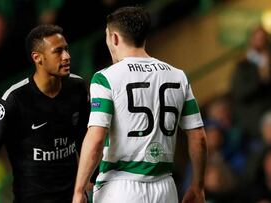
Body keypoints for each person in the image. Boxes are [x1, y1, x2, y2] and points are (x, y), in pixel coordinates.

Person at [72, 6, 207, 203]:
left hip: (120, 187)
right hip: (165, 187)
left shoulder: (105, 78)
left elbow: (96, 140)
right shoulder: (178, 76)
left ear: (114, 38)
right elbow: (199, 138)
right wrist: (198, 186)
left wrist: (78, 190)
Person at [0, 24, 90, 203]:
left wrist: (90, 181)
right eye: (58, 51)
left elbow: (84, 138)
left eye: (67, 49)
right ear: (37, 57)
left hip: (71, 197)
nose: (67, 56)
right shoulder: (14, 99)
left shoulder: (77, 87)